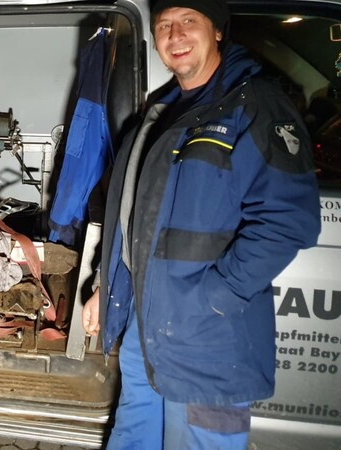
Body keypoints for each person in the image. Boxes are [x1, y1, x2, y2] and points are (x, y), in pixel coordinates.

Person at [81, 0, 321, 448]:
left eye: (189, 21)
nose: (175, 36)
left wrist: (217, 296)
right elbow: (132, 216)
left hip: (208, 338)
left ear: (216, 31)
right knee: (133, 436)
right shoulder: (159, 112)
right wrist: (104, 285)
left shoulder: (253, 105)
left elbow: (289, 221)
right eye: (164, 25)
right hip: (145, 322)